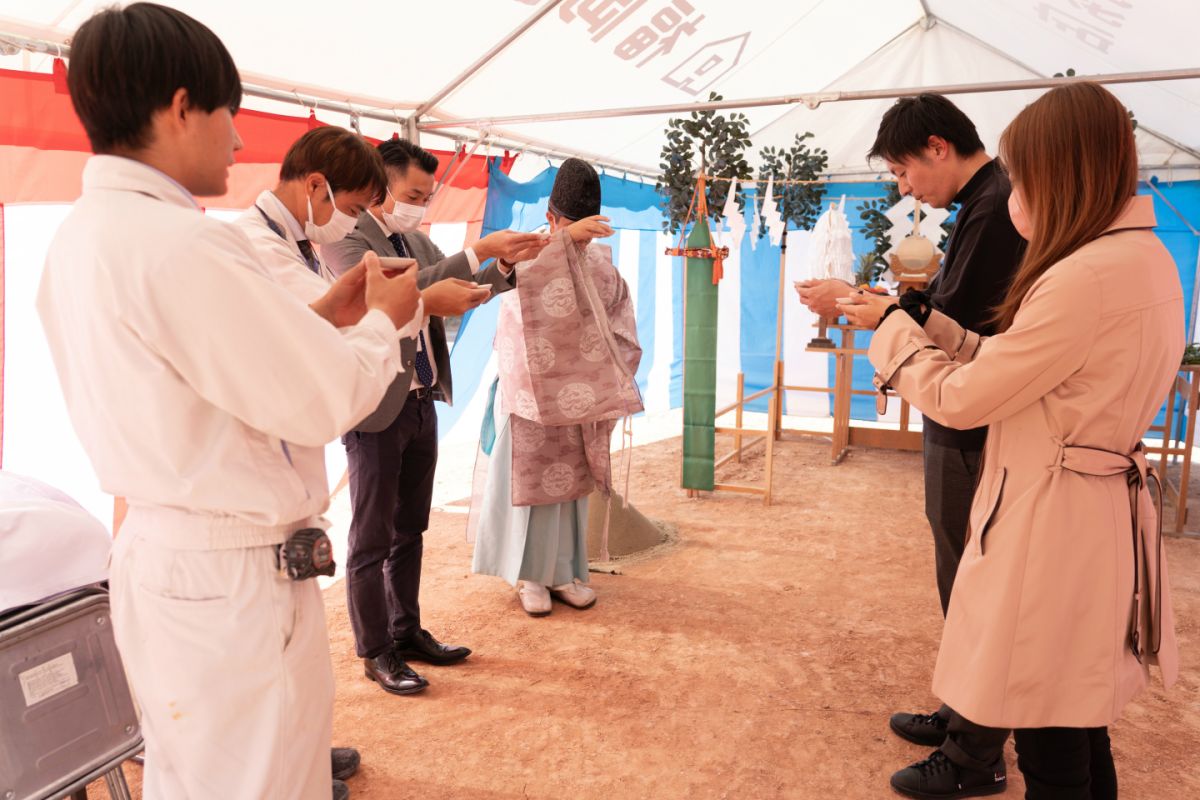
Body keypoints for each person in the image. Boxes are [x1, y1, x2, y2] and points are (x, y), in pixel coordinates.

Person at [36, 5, 419, 799]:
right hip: (229, 579)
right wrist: (384, 324)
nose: (239, 142)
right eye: (228, 115)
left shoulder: (82, 238)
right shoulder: (184, 242)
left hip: (168, 559)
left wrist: (323, 321)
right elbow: (320, 399)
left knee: (197, 778)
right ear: (181, 109)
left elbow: (203, 384)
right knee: (261, 782)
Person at [839, 81, 1180, 800]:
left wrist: (892, 328)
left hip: (1053, 516)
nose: (1013, 191)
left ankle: (971, 756)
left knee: (1047, 720)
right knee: (1079, 714)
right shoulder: (1140, 258)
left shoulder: (1083, 275)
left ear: (1060, 171)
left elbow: (965, 399)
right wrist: (926, 323)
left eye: (1021, 176)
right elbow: (1019, 363)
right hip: (1085, 503)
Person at [797, 94, 1025, 795]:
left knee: (973, 581)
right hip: (961, 415)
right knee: (959, 572)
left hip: (971, 420)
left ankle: (973, 753)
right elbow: (941, 312)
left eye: (901, 171)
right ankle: (963, 715)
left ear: (936, 146)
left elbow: (950, 325)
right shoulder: (988, 202)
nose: (904, 187)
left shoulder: (995, 205)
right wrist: (882, 306)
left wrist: (872, 309)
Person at [322, 138, 547, 694]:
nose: (421, 204)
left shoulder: (417, 239)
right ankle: (376, 651)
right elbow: (399, 293)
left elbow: (456, 288)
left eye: (427, 195)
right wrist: (477, 251)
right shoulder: (347, 241)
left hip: (421, 402)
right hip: (375, 410)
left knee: (411, 530)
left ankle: (406, 630)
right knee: (370, 537)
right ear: (380, 188)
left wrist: (502, 267)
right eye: (412, 193)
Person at [471, 158, 642, 616]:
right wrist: (564, 242)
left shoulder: (602, 264)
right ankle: (528, 575)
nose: (581, 234)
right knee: (532, 487)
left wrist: (601, 371)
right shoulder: (530, 252)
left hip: (579, 392)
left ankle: (566, 571)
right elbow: (519, 303)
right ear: (552, 217)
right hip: (531, 389)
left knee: (570, 486)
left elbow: (620, 321)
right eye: (572, 224)